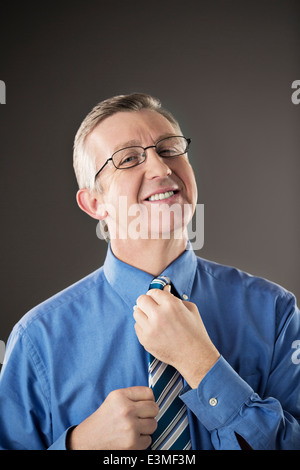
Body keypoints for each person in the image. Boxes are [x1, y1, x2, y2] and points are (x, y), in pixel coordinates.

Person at [0, 93, 299, 450]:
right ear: (95, 203)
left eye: (170, 149)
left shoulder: (275, 312)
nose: (161, 169)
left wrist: (204, 366)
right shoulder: (38, 340)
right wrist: (76, 446)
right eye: (128, 159)